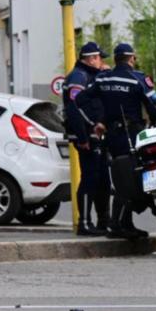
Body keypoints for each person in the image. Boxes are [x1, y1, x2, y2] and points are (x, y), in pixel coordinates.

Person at [76, 42, 156, 240]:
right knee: (133, 177)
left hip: (112, 137)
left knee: (120, 177)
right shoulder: (138, 79)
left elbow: (79, 101)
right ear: (131, 58)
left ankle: (122, 223)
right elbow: (153, 109)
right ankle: (119, 223)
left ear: (115, 59)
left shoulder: (103, 78)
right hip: (133, 135)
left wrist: (94, 123)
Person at [63, 42, 109, 236]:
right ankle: (85, 223)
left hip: (96, 135)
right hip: (88, 136)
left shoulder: (90, 75)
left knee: (102, 180)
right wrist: (84, 135)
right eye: (99, 58)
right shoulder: (78, 76)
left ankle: (102, 221)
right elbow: (75, 107)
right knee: (90, 179)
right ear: (91, 58)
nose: (101, 62)